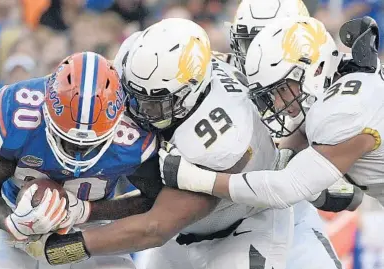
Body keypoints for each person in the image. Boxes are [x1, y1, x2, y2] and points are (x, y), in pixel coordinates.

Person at [10, 18, 294, 269]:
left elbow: (155, 226)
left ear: (189, 94)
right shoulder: (140, 67)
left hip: (242, 229)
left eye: (152, 102)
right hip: (180, 237)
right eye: (133, 93)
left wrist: (59, 247)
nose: (135, 108)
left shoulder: (225, 135)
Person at [159, 16, 384, 217]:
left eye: (282, 89)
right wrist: (286, 153)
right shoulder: (343, 75)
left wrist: (195, 179)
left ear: (316, 70)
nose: (277, 103)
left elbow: (285, 189)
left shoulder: (346, 111)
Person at [0, 51, 160, 269]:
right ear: (47, 110)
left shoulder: (134, 132)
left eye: (91, 144)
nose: (77, 150)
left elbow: (155, 200)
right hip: (15, 214)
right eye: (66, 139)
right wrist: (11, 223)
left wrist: (86, 211)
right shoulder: (17, 115)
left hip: (93, 224)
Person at [212, 1, 355, 269]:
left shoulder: (319, 85)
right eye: (251, 41)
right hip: (210, 222)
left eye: (269, 40)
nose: (258, 53)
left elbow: (346, 191)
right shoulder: (212, 74)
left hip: (288, 216)